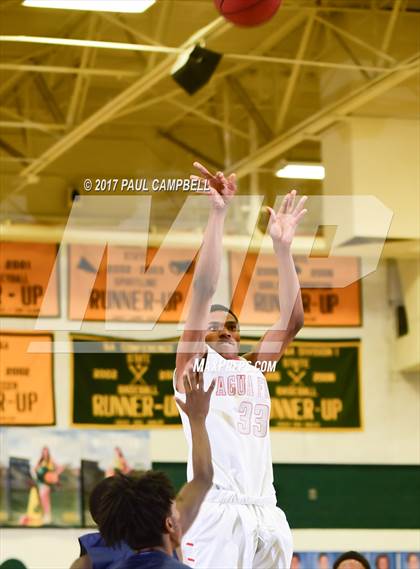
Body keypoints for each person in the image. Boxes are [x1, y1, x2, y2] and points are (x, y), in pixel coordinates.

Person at [174, 162, 307, 568]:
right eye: (214, 328)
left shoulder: (255, 368)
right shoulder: (194, 366)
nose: (225, 332)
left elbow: (293, 322)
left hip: (265, 507)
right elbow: (204, 287)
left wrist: (283, 251)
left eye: (232, 326)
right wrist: (218, 215)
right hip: (218, 510)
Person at [70, 366, 215, 569]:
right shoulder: (165, 528)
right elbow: (203, 478)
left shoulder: (89, 561)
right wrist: (197, 419)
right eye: (174, 509)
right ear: (170, 524)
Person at [34, 446, 63, 524]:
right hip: (40, 483)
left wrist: (54, 475)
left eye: (46, 452)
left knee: (45, 500)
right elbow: (35, 469)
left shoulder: (51, 460)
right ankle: (45, 516)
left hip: (46, 484)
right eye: (44, 452)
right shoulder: (40, 461)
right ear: (42, 453)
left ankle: (47, 517)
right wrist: (38, 473)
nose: (45, 453)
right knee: (42, 500)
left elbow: (60, 468)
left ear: (48, 453)